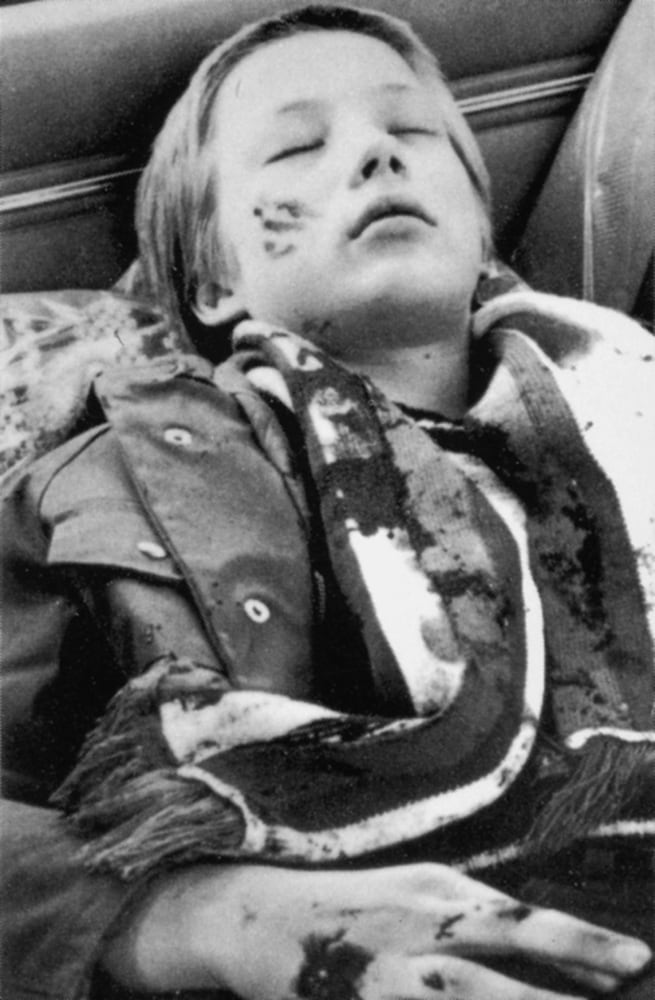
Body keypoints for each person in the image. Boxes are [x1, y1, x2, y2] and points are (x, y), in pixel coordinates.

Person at [1, 5, 654, 1000]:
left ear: (482, 238)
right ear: (212, 279)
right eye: (296, 147)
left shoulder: (631, 400)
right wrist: (216, 918)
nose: (375, 153)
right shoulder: (103, 483)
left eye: (414, 131)